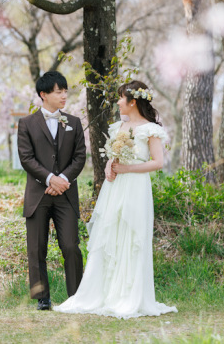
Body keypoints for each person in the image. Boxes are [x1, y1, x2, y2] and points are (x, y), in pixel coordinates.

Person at [53, 80, 177, 319]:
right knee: (110, 235)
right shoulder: (118, 126)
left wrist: (127, 169)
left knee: (132, 237)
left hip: (136, 187)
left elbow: (158, 162)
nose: (118, 102)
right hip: (115, 187)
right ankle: (105, 293)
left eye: (121, 98)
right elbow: (114, 156)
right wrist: (111, 165)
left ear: (132, 102)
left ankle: (129, 295)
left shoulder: (150, 129)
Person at [17, 71, 87, 311]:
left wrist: (63, 179)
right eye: (59, 92)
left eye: (65, 91)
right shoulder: (26, 123)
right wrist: (49, 179)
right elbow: (26, 158)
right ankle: (42, 298)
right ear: (43, 95)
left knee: (71, 246)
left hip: (66, 194)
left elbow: (80, 157)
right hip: (39, 195)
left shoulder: (74, 122)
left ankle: (76, 296)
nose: (64, 96)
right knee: (36, 249)